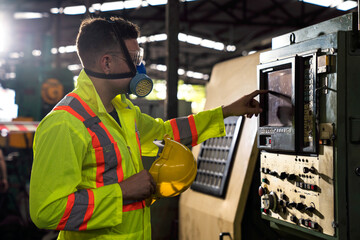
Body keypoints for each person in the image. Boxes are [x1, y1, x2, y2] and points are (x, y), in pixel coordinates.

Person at [29, 17, 267, 240]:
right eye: (133, 59)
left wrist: (226, 112)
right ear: (107, 63)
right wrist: (122, 191)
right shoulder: (64, 123)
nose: (139, 66)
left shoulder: (124, 112)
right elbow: (48, 210)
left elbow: (167, 133)